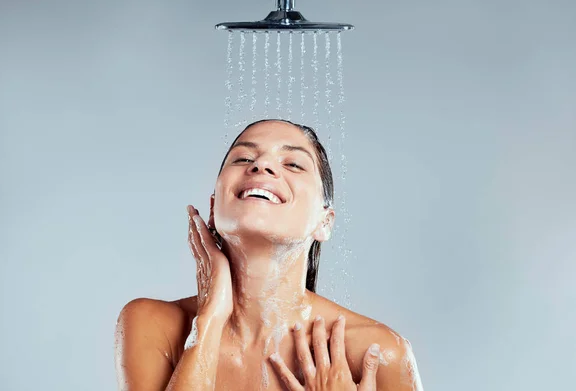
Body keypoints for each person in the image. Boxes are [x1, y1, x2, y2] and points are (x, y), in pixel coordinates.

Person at [114, 119, 424, 390]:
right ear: (213, 209)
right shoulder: (152, 325)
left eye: (293, 164)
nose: (260, 166)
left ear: (324, 222)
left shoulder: (375, 353)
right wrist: (208, 323)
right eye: (243, 158)